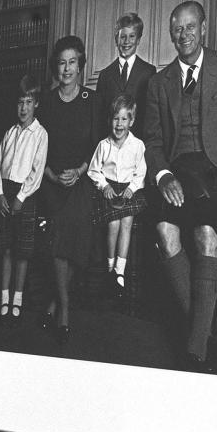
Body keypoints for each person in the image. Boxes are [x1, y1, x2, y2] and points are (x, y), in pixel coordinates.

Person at [144, 0, 217, 373]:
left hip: (216, 168)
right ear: (170, 33)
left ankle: (195, 347)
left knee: (205, 236)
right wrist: (164, 176)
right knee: (165, 232)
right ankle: (202, 333)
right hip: (177, 169)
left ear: (203, 28)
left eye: (190, 27)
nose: (183, 35)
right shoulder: (158, 82)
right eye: (176, 28)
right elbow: (151, 141)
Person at [36, 35, 101, 345]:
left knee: (78, 231)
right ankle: (64, 307)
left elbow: (99, 147)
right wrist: (50, 174)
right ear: (55, 67)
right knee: (61, 227)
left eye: (72, 62)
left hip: (81, 178)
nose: (67, 69)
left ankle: (56, 302)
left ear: (81, 65)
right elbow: (37, 147)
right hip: (50, 180)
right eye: (61, 63)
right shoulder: (46, 102)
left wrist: (80, 171)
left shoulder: (92, 101)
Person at [0, 75, 48, 325]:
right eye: (20, 102)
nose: (23, 108)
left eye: (28, 102)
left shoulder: (40, 134)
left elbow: (37, 170)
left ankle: (17, 299)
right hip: (5, 192)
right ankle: (3, 296)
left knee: (22, 251)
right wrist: (1, 194)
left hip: (26, 196)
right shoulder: (10, 132)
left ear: (36, 104)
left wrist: (21, 197)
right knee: (5, 248)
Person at [87, 94, 147, 296]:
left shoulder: (138, 145)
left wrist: (132, 188)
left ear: (131, 121)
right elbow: (93, 170)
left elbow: (141, 172)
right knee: (113, 223)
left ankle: (120, 270)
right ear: (110, 120)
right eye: (115, 119)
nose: (119, 124)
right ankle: (110, 266)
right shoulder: (104, 145)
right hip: (110, 188)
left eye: (124, 119)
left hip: (129, 188)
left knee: (127, 221)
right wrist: (104, 186)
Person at [94, 13, 157, 139]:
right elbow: (99, 118)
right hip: (111, 145)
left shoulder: (149, 72)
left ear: (138, 40)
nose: (127, 41)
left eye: (132, 36)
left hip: (139, 144)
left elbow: (151, 116)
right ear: (116, 40)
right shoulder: (105, 75)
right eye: (123, 37)